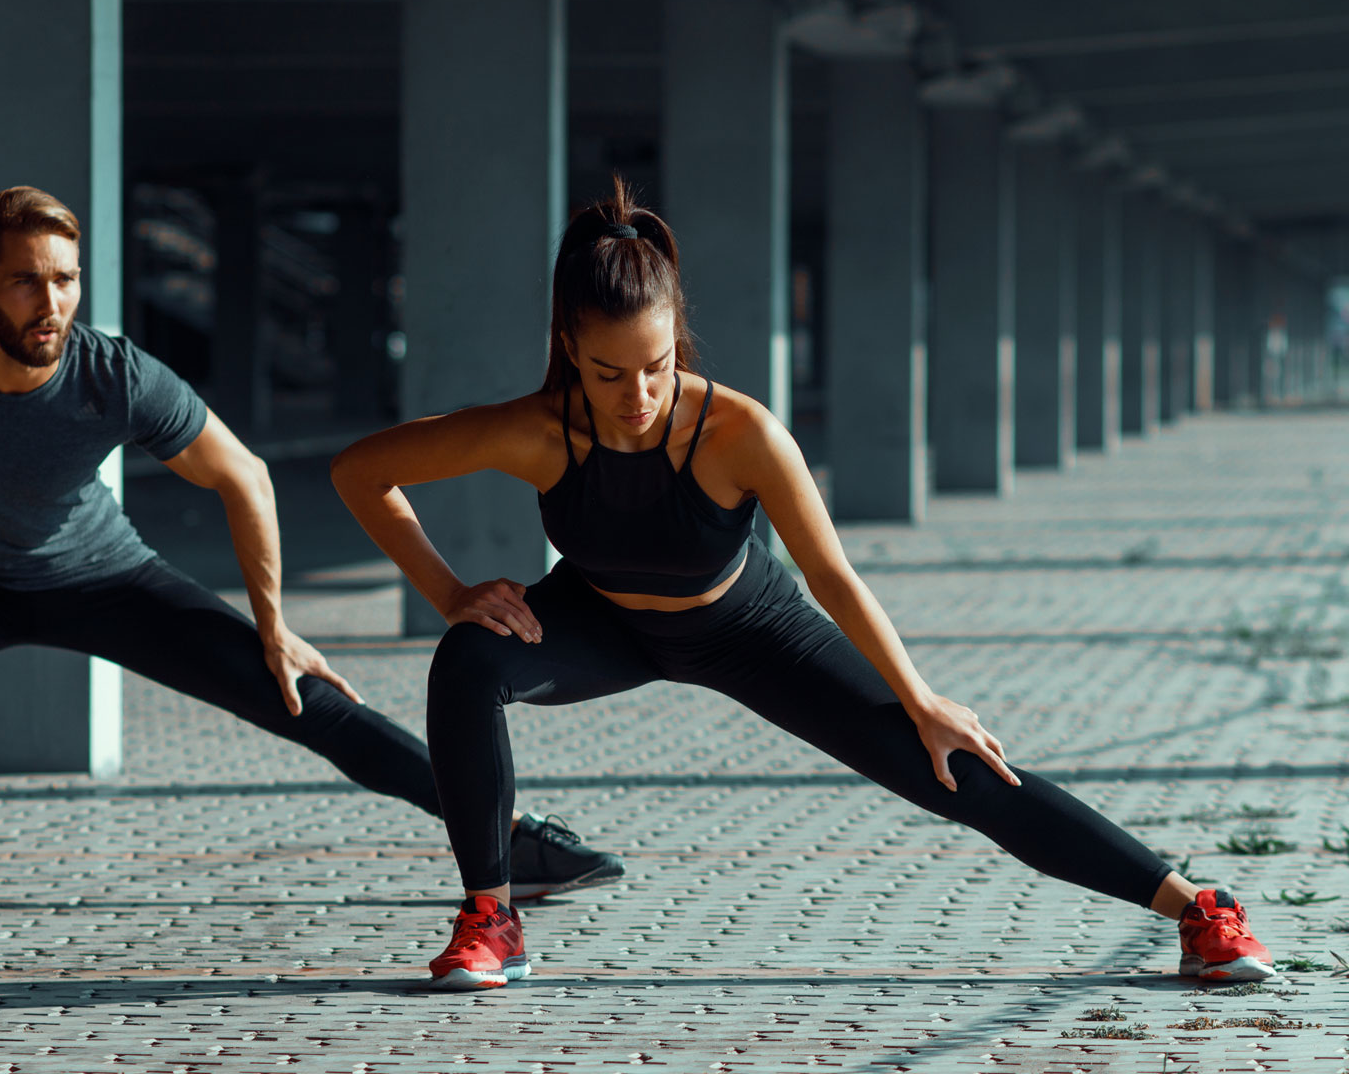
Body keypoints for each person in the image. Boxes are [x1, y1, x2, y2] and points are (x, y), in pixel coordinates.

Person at [330, 178, 1277, 990]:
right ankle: (491, 919)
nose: (637, 397)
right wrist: (451, 591)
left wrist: (921, 698)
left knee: (951, 766)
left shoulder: (738, 432)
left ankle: (1198, 907)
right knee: (465, 662)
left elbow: (830, 572)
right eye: (611, 371)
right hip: (604, 619)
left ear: (678, 342)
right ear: (570, 347)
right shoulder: (535, 431)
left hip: (752, 628)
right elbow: (360, 472)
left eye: (657, 367)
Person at [0, 185, 623, 916]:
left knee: (303, 697)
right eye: (24, 280)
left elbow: (244, 476)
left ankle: (510, 838)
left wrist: (275, 626)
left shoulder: (113, 372)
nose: (50, 302)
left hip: (110, 583)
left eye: (65, 278)